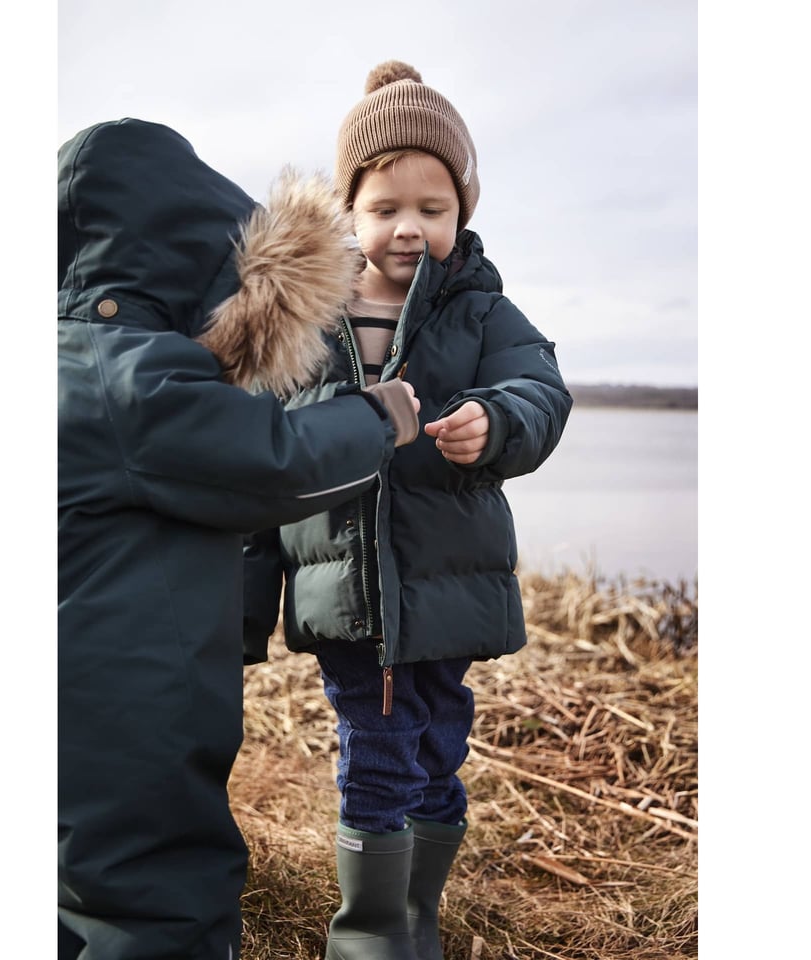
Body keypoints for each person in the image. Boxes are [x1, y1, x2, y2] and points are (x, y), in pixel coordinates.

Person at [58, 117, 421, 960]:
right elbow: (271, 460)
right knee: (154, 894)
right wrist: (377, 416)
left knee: (71, 877)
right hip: (129, 705)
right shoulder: (130, 374)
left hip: (77, 684)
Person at [242, 61, 574, 960]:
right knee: (379, 749)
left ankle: (417, 914)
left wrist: (497, 421)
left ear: (462, 212)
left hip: (447, 581)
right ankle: (374, 935)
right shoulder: (309, 315)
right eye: (386, 207)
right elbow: (263, 438)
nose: (408, 228)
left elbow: (542, 392)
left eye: (432, 209)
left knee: (438, 746)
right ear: (350, 211)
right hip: (349, 588)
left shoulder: (480, 307)